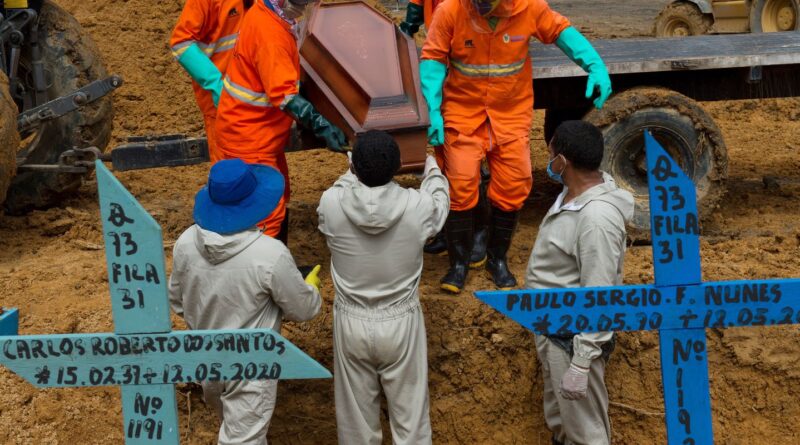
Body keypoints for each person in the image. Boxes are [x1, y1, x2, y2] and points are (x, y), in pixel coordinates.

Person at [420, 0, 613, 293]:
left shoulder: (530, 8)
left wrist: (595, 65)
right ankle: (458, 264)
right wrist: (433, 108)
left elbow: (562, 31)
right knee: (460, 185)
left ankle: (497, 258)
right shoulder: (451, 10)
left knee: (514, 185)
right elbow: (433, 58)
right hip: (462, 112)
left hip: (510, 114)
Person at [168, 158, 322, 445]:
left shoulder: (186, 242)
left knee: (235, 428)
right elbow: (303, 310)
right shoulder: (269, 254)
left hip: (205, 357)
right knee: (242, 440)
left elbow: (177, 300)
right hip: (250, 365)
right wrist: (309, 288)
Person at [317, 130, 449, 445]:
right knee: (411, 423)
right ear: (397, 166)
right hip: (401, 320)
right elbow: (440, 200)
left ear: (354, 169)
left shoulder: (331, 203)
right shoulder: (417, 206)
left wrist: (351, 170)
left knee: (356, 428)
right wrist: (430, 169)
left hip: (351, 321)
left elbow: (341, 188)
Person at [527, 121, 633, 445]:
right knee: (562, 425)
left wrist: (581, 362)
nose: (549, 162)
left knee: (586, 434)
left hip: (571, 340)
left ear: (563, 162)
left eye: (550, 155)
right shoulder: (574, 195)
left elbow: (600, 294)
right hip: (554, 330)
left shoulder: (596, 219)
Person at [215, 0, 347, 242]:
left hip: (259, 129)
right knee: (266, 209)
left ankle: (277, 263)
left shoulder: (271, 13)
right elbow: (285, 97)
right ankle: (267, 273)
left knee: (279, 190)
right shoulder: (270, 34)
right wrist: (322, 126)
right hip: (250, 136)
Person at [170, 0, 254, 163]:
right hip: (223, 102)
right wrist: (216, 85)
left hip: (256, 98)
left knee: (269, 172)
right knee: (231, 172)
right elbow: (180, 42)